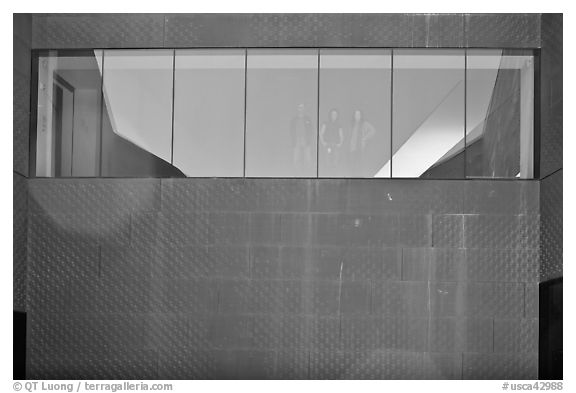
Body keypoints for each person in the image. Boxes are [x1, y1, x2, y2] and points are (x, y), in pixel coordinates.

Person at [349, 109, 376, 176]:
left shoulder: (364, 123)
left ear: (361, 116)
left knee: (360, 166)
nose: (357, 116)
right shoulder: (352, 124)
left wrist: (365, 138)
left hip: (360, 148)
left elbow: (373, 130)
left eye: (358, 114)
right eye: (355, 114)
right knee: (353, 167)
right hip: (352, 149)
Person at [290, 103, 314, 170]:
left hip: (305, 139)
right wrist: (293, 138)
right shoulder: (294, 119)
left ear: (304, 109)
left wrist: (309, 138)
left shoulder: (308, 119)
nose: (301, 109)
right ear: (297, 109)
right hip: (297, 139)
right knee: (296, 155)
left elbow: (311, 129)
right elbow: (291, 130)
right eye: (299, 107)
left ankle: (308, 170)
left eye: (302, 107)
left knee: (307, 155)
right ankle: (296, 170)